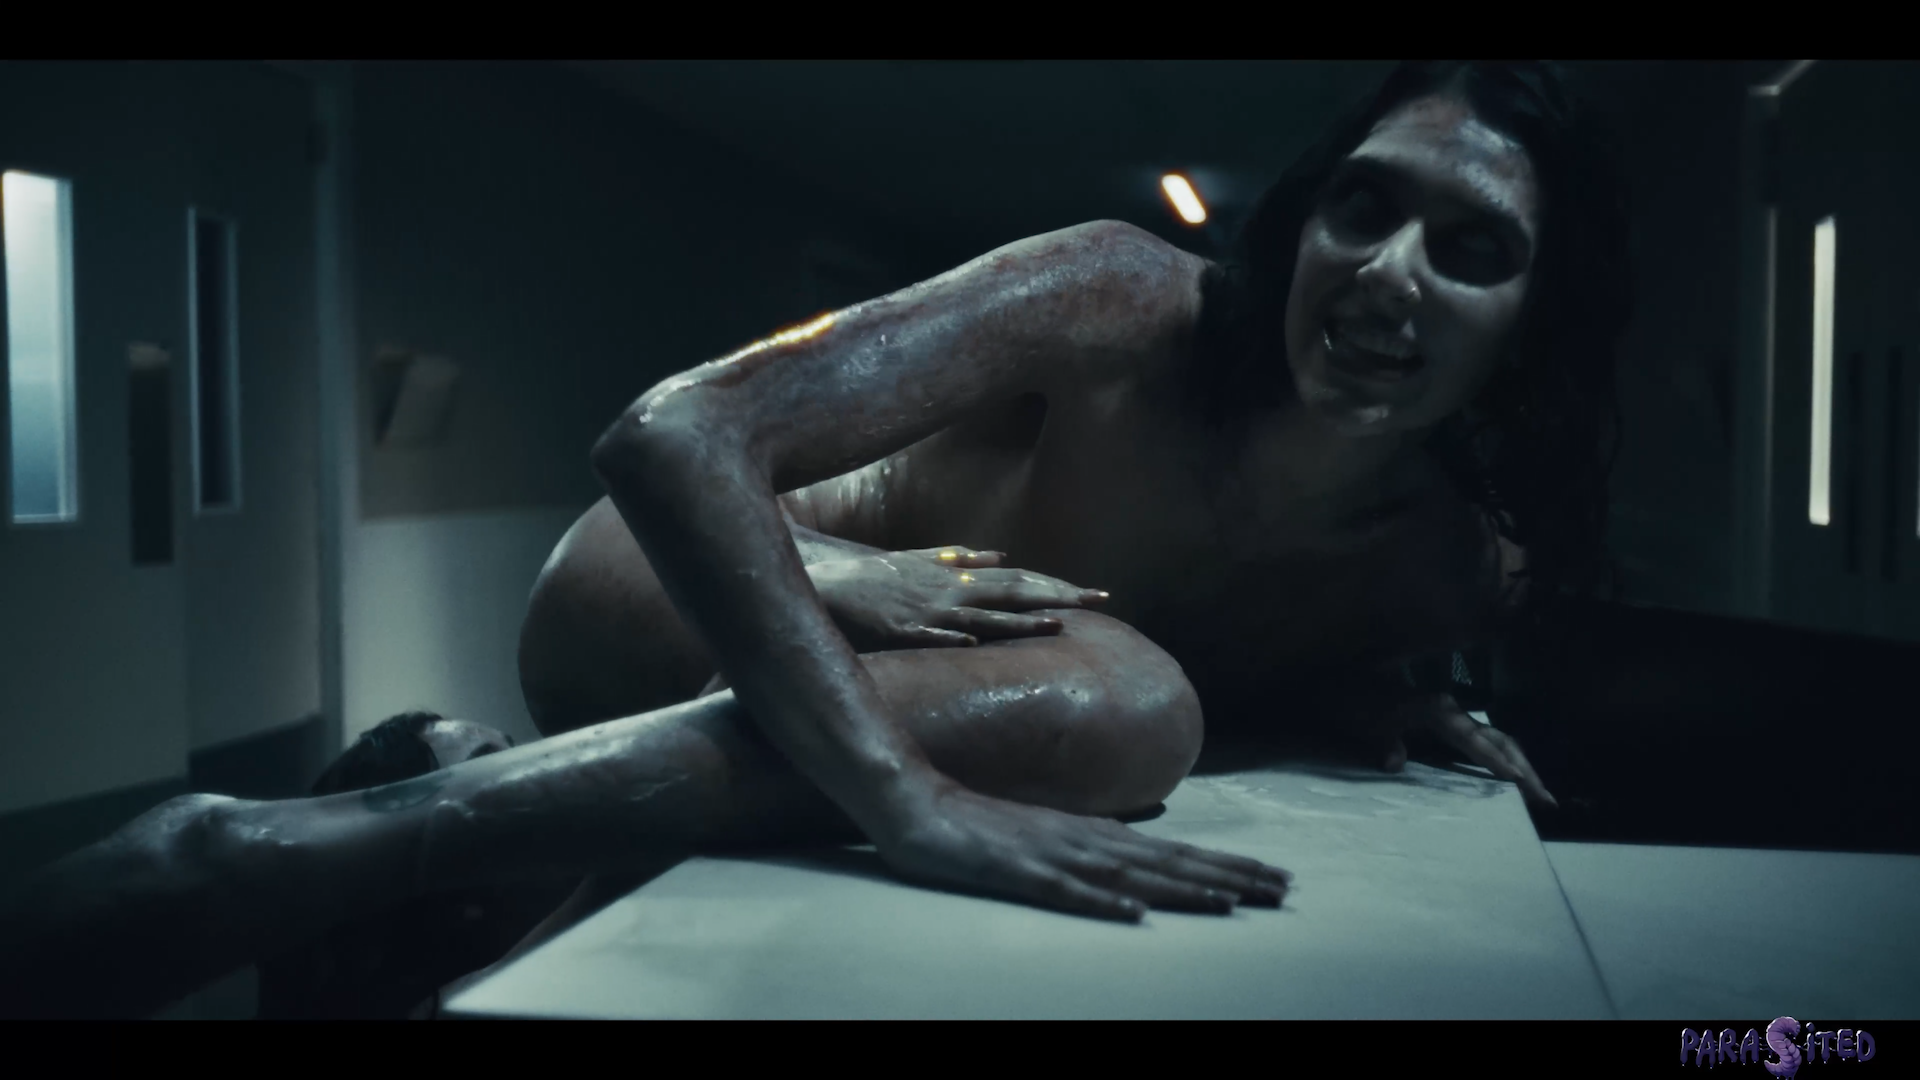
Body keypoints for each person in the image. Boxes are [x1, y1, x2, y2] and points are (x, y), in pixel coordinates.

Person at [516, 58, 1624, 917]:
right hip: (684, 563)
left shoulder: (1446, 568)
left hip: (827, 684)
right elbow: (676, 435)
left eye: (1473, 247)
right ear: (1305, 225)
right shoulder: (1122, 297)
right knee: (1130, 707)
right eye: (1366, 206)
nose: (1389, 269)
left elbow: (1226, 645)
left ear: (1537, 323)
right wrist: (909, 800)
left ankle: (455, 834)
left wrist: (1351, 697)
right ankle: (421, 821)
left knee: (1133, 705)